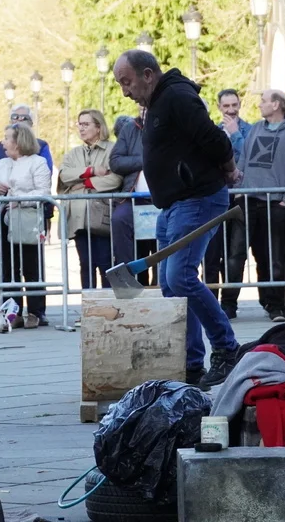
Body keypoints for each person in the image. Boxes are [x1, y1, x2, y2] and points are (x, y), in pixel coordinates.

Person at [113, 50, 239, 389]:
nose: (125, 91)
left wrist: (229, 169)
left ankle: (227, 349)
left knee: (180, 277)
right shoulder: (158, 102)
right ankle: (190, 364)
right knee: (171, 285)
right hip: (173, 205)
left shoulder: (177, 97)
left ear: (148, 75)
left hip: (196, 199)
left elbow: (215, 139)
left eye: (127, 82)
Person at [237, 89, 285, 322]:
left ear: (276, 104)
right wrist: (240, 185)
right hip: (249, 199)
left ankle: (276, 305)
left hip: (276, 203)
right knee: (250, 254)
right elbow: (243, 159)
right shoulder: (256, 128)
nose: (259, 104)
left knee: (275, 256)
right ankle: (255, 301)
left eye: (264, 101)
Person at [0, 122, 53, 328]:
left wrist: (18, 198)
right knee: (8, 267)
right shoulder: (3, 163)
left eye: (7, 138)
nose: (3, 142)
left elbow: (43, 191)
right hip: (6, 219)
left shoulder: (38, 162)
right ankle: (11, 312)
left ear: (18, 142)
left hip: (28, 219)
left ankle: (36, 312)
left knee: (31, 265)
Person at [58, 110, 122, 290]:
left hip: (102, 216)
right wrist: (92, 171)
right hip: (78, 217)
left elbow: (115, 178)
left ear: (99, 127)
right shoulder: (73, 153)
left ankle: (108, 304)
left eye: (86, 124)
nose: (81, 128)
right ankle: (89, 304)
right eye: (79, 124)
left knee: (106, 263)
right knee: (85, 264)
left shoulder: (113, 149)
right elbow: (64, 176)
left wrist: (85, 183)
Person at [204, 90, 249, 317]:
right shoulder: (211, 130)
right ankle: (211, 303)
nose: (231, 110)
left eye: (234, 105)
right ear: (219, 107)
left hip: (240, 198)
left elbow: (246, 158)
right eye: (226, 106)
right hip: (214, 196)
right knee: (211, 254)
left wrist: (236, 135)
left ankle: (230, 304)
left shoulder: (250, 130)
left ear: (239, 105)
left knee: (235, 254)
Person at [109, 109, 156, 285]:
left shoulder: (170, 125)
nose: (145, 110)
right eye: (142, 107)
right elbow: (115, 161)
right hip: (133, 198)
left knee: (166, 234)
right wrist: (145, 160)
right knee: (119, 219)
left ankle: (164, 286)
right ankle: (126, 283)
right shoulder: (130, 128)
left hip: (164, 198)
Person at [0, 104, 54, 174]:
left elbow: (46, 172)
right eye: (15, 116)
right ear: (10, 122)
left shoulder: (42, 146)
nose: (19, 120)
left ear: (31, 123)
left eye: (24, 117)